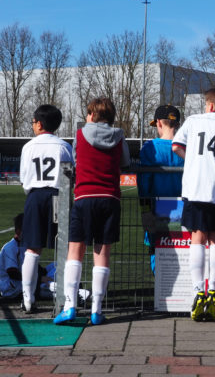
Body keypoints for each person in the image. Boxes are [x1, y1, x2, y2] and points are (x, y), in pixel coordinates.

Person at [54, 98, 129, 326]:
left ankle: (69, 306)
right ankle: (96, 310)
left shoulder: (80, 135)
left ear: (92, 115)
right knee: (102, 253)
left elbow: (76, 160)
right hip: (110, 198)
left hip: (84, 197)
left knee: (75, 251)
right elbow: (125, 162)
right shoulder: (119, 136)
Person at [171, 86, 215, 322]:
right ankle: (213, 291)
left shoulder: (193, 121)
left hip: (195, 187)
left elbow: (176, 146)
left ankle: (198, 292)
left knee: (197, 238)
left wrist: (193, 159)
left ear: (210, 105)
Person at [18, 104, 73, 314]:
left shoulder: (28, 147)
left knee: (32, 249)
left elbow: (24, 179)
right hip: (59, 196)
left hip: (35, 196)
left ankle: (28, 299)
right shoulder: (64, 146)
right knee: (64, 248)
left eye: (33, 122)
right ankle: (66, 298)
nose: (32, 125)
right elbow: (71, 175)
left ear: (40, 124)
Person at [138, 105, 184, 275]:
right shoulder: (186, 148)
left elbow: (144, 184)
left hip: (155, 208)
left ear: (158, 123)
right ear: (177, 124)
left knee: (156, 250)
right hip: (182, 207)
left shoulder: (150, 148)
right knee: (182, 249)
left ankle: (161, 284)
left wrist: (144, 209)